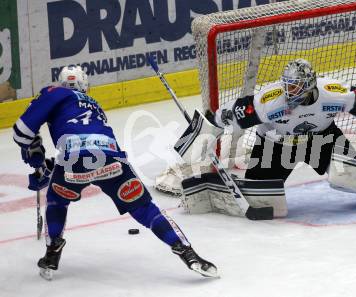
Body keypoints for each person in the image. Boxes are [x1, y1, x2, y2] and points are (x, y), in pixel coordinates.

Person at [13, 65, 217, 279]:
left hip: (72, 161)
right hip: (112, 158)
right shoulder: (94, 105)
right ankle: (187, 252)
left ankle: (52, 252)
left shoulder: (54, 92)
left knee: (57, 200)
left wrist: (35, 155)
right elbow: (91, 148)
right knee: (144, 207)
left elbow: (21, 132)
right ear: (85, 85)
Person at [208, 58, 356, 202]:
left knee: (355, 176)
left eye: (295, 86)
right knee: (261, 199)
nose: (289, 92)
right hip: (276, 145)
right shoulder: (269, 101)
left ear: (309, 85)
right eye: (287, 85)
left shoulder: (333, 93)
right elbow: (235, 113)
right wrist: (213, 123)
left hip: (323, 139)